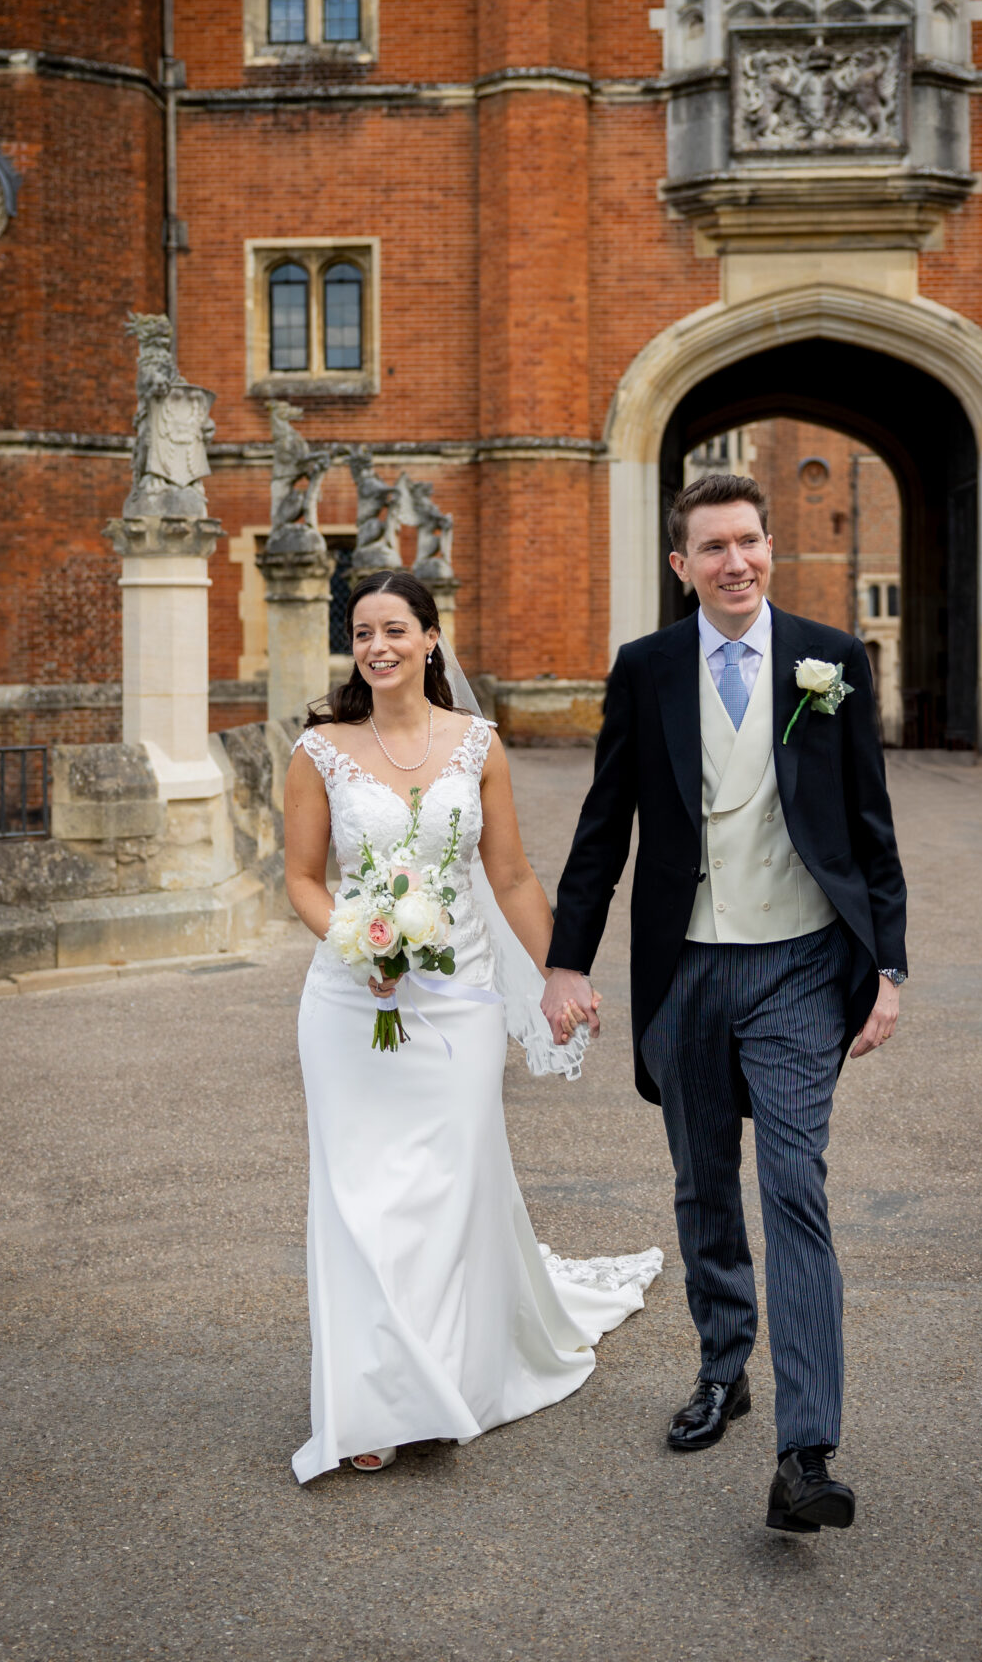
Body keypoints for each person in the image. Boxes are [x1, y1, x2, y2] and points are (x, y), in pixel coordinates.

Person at [542, 473, 908, 1535]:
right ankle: (720, 1365)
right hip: (686, 968)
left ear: (768, 549)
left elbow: (869, 828)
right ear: (681, 565)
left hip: (800, 965)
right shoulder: (647, 668)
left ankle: (806, 1451)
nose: (735, 560)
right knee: (703, 1181)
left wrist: (888, 966)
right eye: (712, 547)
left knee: (793, 1185)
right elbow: (604, 827)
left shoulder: (832, 659)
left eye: (749, 540)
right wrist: (569, 960)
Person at [283, 569, 660, 1479]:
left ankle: (441, 1374)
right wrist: (357, 940)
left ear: (431, 638)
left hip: (458, 1002)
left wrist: (558, 974)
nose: (377, 646)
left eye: (394, 630)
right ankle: (371, 1399)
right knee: (358, 1198)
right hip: (351, 1001)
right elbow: (300, 878)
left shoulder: (477, 745)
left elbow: (513, 878)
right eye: (361, 632)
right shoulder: (319, 750)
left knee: (442, 1191)